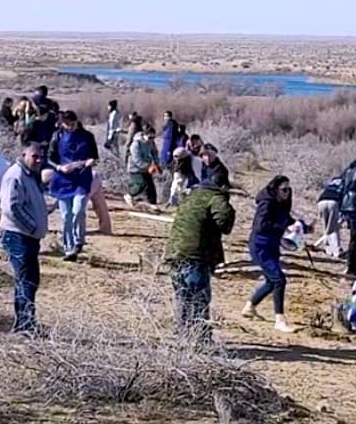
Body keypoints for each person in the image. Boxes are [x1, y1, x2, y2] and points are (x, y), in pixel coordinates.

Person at [164, 176, 236, 345]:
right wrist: (228, 206)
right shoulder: (216, 197)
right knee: (198, 299)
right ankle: (200, 340)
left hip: (174, 254)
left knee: (183, 297)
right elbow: (225, 224)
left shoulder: (191, 195)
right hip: (195, 256)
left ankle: (184, 336)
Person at [0, 143, 49, 334]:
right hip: (18, 236)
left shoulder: (30, 175)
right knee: (26, 280)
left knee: (29, 280)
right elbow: (12, 208)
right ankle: (25, 326)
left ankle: (24, 323)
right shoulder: (15, 175)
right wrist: (33, 226)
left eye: (41, 157)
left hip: (28, 238)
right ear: (24, 154)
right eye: (35, 156)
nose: (38, 160)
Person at [242, 175, 303, 333]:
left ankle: (249, 307)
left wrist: (303, 226)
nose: (287, 192)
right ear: (275, 189)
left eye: (289, 189)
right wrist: (284, 228)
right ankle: (279, 320)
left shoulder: (281, 203)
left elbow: (285, 219)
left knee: (271, 281)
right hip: (260, 247)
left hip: (272, 246)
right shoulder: (267, 202)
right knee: (279, 280)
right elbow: (261, 225)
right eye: (284, 189)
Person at [48, 111, 98, 261]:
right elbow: (49, 158)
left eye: (72, 124)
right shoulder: (57, 136)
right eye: (67, 124)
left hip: (82, 179)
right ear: (62, 124)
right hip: (62, 180)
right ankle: (69, 249)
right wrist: (59, 167)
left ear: (77, 121)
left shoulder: (87, 136)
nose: (70, 127)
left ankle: (78, 240)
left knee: (78, 211)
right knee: (66, 216)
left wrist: (91, 161)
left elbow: (94, 157)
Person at [126, 126, 160, 207]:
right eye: (150, 137)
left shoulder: (151, 142)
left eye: (153, 137)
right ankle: (129, 195)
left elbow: (154, 152)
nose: (151, 139)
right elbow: (137, 160)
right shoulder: (136, 144)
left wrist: (157, 164)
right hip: (135, 168)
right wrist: (148, 167)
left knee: (151, 186)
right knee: (141, 184)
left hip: (146, 167)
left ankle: (153, 204)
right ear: (144, 135)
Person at [317, 175, 344, 249]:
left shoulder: (332, 181)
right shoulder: (346, 182)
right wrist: (342, 216)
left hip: (321, 201)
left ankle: (328, 248)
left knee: (326, 228)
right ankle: (337, 249)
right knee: (334, 227)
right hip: (334, 201)